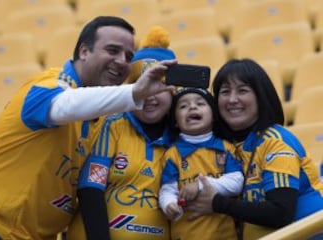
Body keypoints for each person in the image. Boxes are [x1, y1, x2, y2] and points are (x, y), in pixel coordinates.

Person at [0, 17, 176, 240]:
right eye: (113, 50)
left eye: (129, 56)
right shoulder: (48, 84)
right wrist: (134, 92)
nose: (122, 61)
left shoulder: (104, 121)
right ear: (84, 52)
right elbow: (64, 106)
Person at [186, 58, 323, 240]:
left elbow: (281, 212)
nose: (232, 100)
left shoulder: (276, 141)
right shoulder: (225, 147)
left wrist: (217, 203)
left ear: (261, 96)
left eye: (242, 90)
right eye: (225, 92)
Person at [66, 25, 176, 240]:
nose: (150, 95)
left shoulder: (182, 138)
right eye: (141, 85)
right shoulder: (111, 125)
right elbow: (90, 188)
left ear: (173, 91)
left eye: (159, 86)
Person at [159, 87, 243, 240]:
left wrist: (200, 186)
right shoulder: (172, 154)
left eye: (200, 103)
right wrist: (169, 205)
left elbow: (237, 183)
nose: (192, 107)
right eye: (183, 106)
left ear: (213, 115)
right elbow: (167, 189)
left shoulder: (226, 148)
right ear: (175, 121)